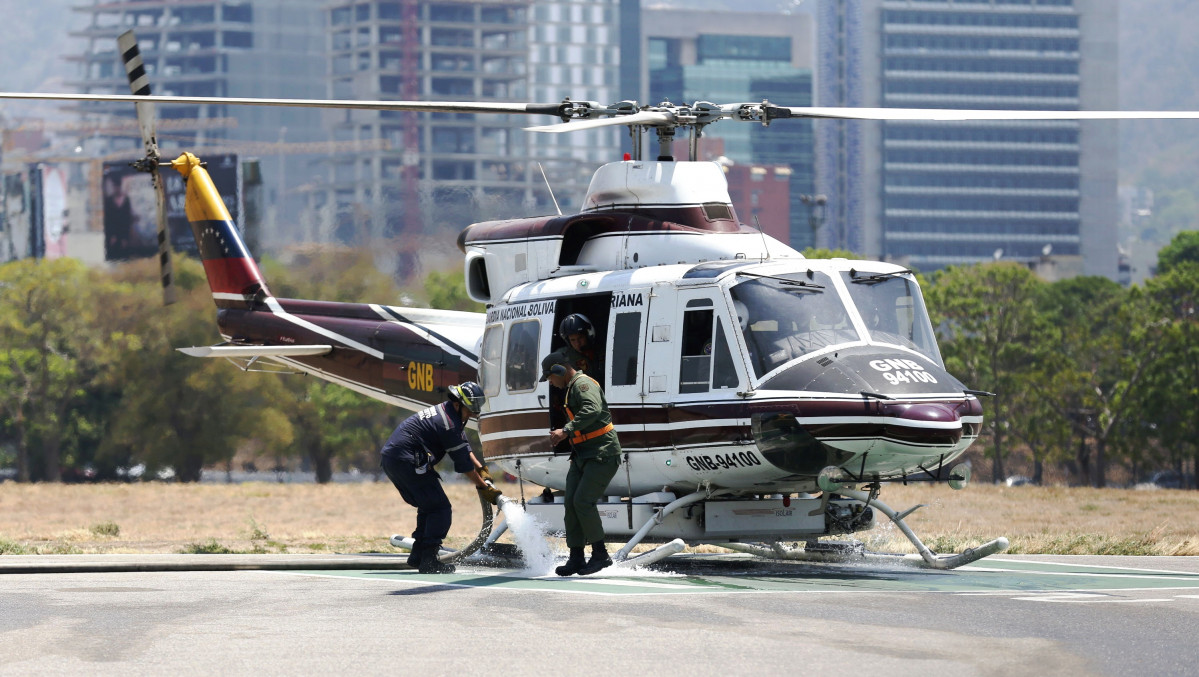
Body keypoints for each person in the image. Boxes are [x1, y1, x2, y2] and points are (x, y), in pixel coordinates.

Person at [379, 381, 502, 574]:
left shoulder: (447, 413)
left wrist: (482, 468)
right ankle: (429, 560)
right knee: (440, 508)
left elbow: (462, 444)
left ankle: (418, 555)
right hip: (406, 460)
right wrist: (484, 488)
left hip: (394, 458)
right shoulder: (448, 423)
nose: (472, 415)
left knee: (429, 506)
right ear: (457, 404)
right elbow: (463, 465)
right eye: (470, 410)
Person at [541, 352, 622, 576]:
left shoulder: (582, 384)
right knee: (571, 503)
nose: (551, 383)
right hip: (582, 455)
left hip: (601, 454)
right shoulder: (571, 388)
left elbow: (592, 409)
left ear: (559, 371)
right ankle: (576, 557)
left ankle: (600, 555)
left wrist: (566, 430)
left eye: (550, 378)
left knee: (583, 502)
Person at [558, 313, 604, 385]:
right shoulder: (563, 356)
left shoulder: (603, 351)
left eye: (580, 338)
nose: (577, 343)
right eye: (572, 340)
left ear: (588, 335)